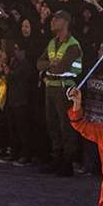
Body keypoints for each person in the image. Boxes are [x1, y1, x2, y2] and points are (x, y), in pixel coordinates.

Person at [37, 10, 83, 176]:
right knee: (53, 124)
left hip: (65, 88)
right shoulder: (52, 43)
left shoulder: (72, 45)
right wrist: (51, 64)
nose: (52, 22)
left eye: (56, 19)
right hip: (51, 87)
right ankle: (57, 159)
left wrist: (49, 65)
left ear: (65, 22)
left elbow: (62, 67)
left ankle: (67, 162)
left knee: (66, 126)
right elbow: (39, 63)